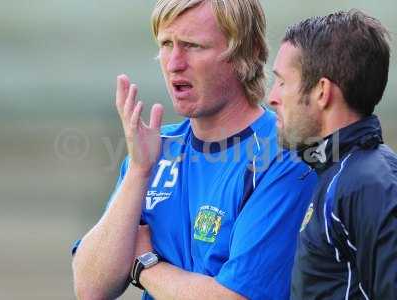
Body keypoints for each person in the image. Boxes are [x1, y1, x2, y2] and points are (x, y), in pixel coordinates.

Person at [72, 1, 317, 299]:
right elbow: (91, 287)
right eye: (166, 44)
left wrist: (146, 266)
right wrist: (138, 171)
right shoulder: (153, 152)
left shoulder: (284, 156)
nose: (174, 62)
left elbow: (235, 297)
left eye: (193, 46)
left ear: (246, 53)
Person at [268, 9, 397, 300]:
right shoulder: (338, 173)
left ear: (322, 92)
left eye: (282, 82)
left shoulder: (369, 183)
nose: (272, 96)